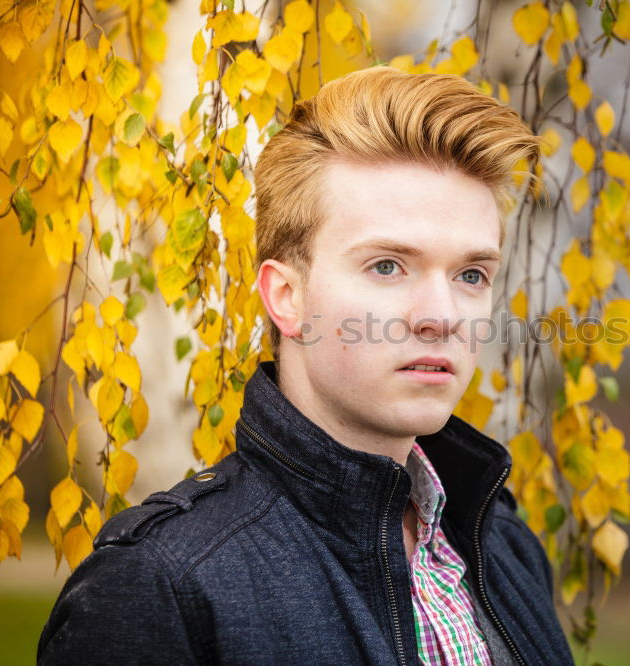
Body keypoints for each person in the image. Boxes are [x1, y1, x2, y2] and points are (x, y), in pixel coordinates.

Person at [38, 66, 573, 665]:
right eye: (388, 266)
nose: (443, 316)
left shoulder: (504, 546)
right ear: (286, 297)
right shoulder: (161, 588)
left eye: (471, 274)